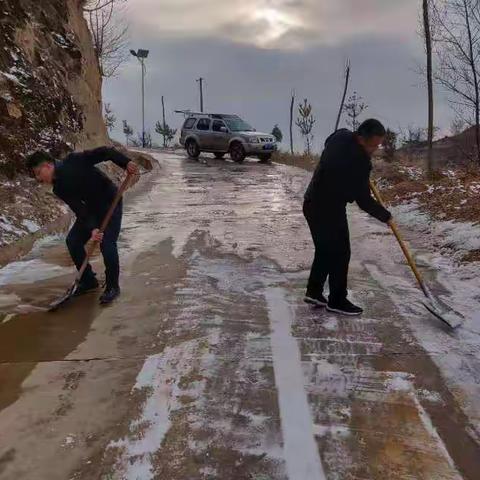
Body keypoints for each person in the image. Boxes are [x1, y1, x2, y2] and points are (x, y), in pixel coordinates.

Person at [27, 147, 139, 305]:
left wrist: (125, 162)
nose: (39, 178)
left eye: (38, 173)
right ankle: (88, 281)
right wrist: (92, 227)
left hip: (109, 202)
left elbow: (104, 152)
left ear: (47, 166)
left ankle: (113, 286)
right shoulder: (58, 188)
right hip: (91, 210)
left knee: (107, 243)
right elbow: (79, 208)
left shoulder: (74, 161)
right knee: (73, 241)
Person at [303, 119, 392, 316]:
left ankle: (314, 292)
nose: (376, 149)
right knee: (340, 253)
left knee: (325, 250)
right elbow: (362, 200)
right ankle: (337, 300)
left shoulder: (341, 135)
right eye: (374, 145)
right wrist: (384, 215)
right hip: (329, 209)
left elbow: (329, 142)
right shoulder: (360, 163)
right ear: (361, 139)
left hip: (310, 203)